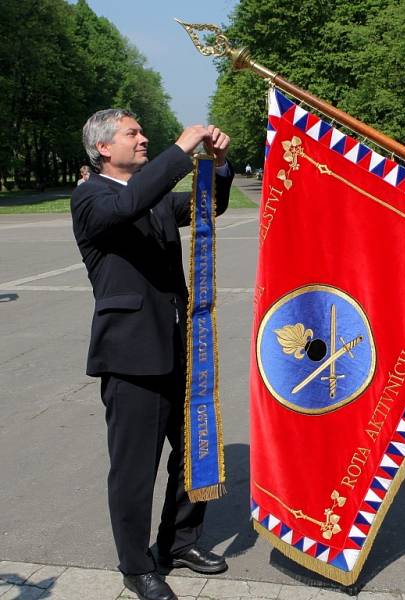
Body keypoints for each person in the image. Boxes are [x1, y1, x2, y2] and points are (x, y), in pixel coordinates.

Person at [71, 109, 234, 600]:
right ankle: (136, 565)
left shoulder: (152, 196)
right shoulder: (91, 197)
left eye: (142, 133)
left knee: (192, 452)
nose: (143, 139)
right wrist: (182, 149)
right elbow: (127, 207)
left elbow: (208, 207)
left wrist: (218, 166)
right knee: (134, 467)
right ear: (104, 147)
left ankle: (179, 543)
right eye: (133, 133)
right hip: (129, 355)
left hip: (180, 344)